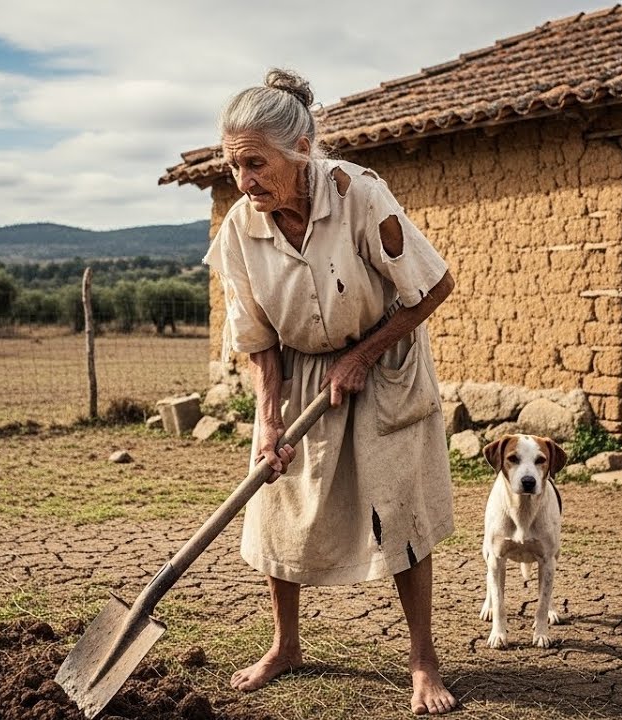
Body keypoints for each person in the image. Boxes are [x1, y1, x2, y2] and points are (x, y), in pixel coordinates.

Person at [204, 68, 459, 716]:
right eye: (235, 167)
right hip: (297, 368)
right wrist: (268, 417)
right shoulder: (239, 228)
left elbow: (432, 287)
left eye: (256, 163)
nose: (246, 180)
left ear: (303, 148)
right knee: (277, 505)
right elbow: (254, 333)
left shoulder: (360, 194)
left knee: (398, 513)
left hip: (385, 358)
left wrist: (363, 356)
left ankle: (423, 661)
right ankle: (285, 645)